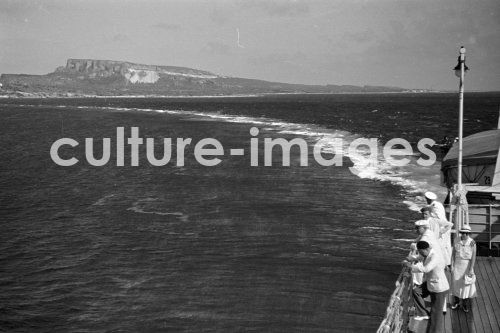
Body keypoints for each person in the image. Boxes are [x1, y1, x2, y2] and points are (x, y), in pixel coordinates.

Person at [405, 241, 449, 333]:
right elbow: (419, 257)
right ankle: (423, 313)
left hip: (439, 288)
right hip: (430, 283)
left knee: (436, 313)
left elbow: (426, 269)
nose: (420, 254)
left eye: (421, 252)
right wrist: (411, 259)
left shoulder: (434, 257)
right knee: (416, 291)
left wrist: (410, 267)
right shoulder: (426, 253)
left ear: (426, 249)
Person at [451, 225, 477, 312]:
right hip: (458, 264)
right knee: (456, 284)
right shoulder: (456, 240)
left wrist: (470, 269)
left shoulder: (472, 242)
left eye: (466, 233)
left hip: (467, 265)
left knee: (466, 285)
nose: (464, 234)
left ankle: (465, 303)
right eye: (463, 232)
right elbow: (453, 253)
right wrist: (452, 265)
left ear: (469, 233)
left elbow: (473, 257)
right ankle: (456, 301)